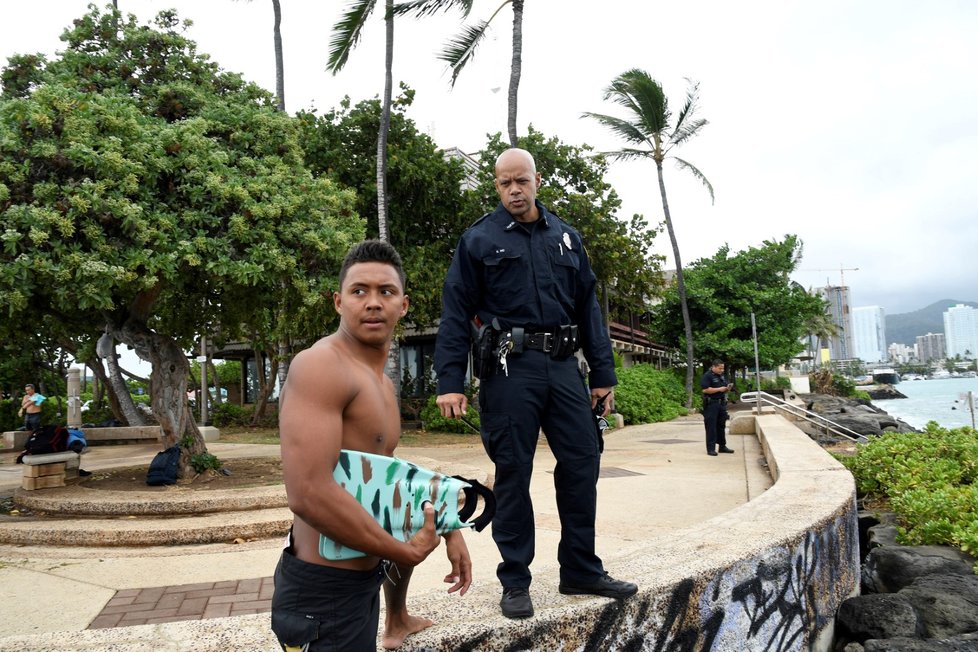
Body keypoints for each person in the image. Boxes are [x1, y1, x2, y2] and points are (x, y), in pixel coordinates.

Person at [434, 148, 638, 620]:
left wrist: (603, 376)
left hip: (566, 366)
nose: (513, 191)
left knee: (583, 460)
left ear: (537, 180)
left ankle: (581, 568)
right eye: (504, 183)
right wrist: (451, 380)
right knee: (513, 470)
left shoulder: (566, 237)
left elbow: (589, 308)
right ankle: (515, 579)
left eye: (520, 181)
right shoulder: (478, 239)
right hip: (509, 369)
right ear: (497, 186)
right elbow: (455, 313)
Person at [272, 240, 472, 651]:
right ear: (338, 302)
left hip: (361, 582)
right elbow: (308, 492)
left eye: (386, 292)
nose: (373, 302)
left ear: (405, 305)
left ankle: (396, 621)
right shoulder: (320, 365)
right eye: (359, 291)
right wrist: (402, 550)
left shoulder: (379, 380)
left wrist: (448, 523)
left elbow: (384, 479)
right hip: (322, 594)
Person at [700, 360, 735, 456]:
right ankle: (711, 449)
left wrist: (727, 388)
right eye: (720, 368)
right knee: (711, 427)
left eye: (723, 368)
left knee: (721, 425)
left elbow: (724, 387)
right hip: (711, 404)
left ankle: (722, 446)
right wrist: (719, 389)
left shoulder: (721, 376)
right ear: (714, 367)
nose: (722, 370)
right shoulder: (707, 376)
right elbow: (705, 390)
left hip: (721, 403)